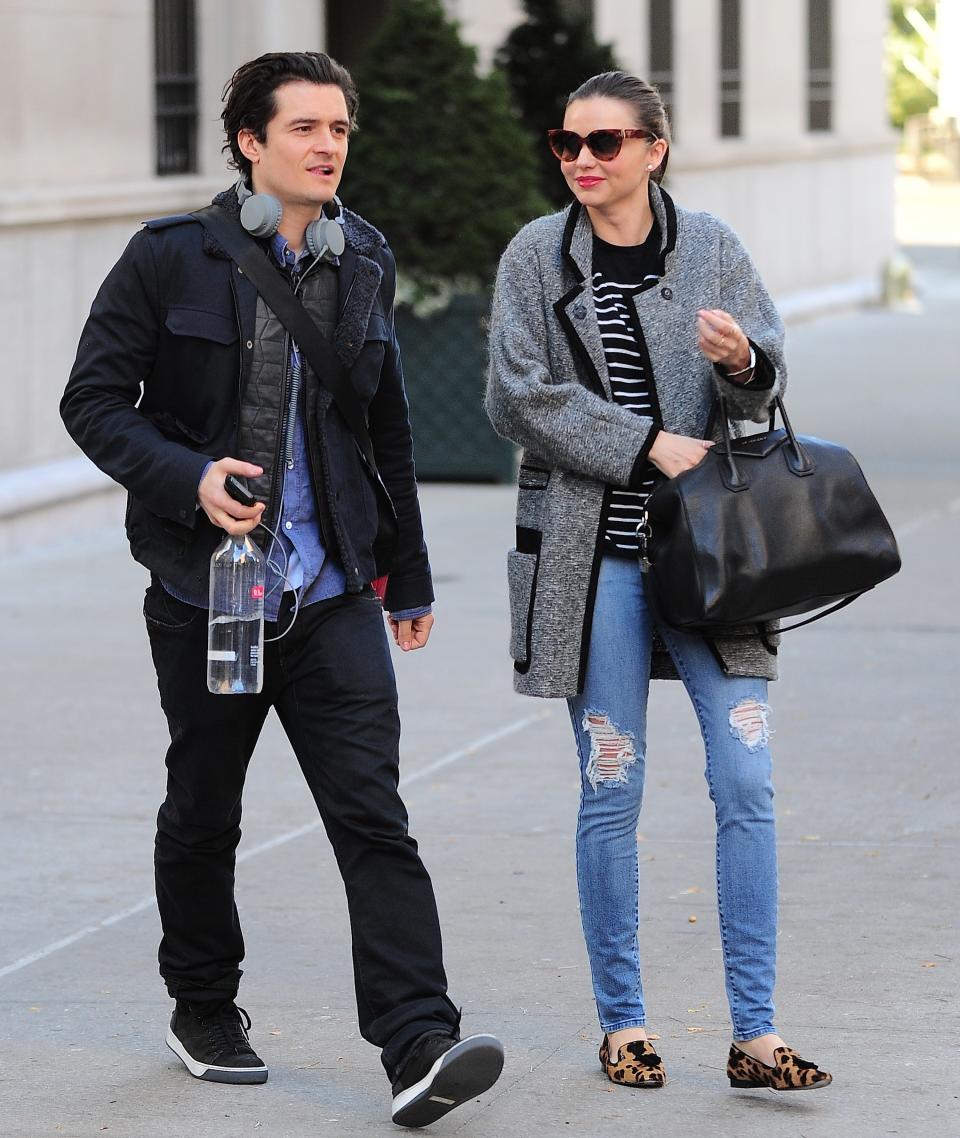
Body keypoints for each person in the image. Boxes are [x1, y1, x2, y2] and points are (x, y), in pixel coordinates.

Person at [61, 50, 503, 1128]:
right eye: (305, 127)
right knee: (207, 808)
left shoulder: (367, 261)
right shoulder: (170, 259)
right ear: (250, 141)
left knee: (373, 814)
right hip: (210, 588)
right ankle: (204, 1004)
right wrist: (190, 476)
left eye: (341, 128)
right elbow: (93, 401)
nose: (328, 145)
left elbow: (383, 425)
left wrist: (407, 573)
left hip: (334, 586)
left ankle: (419, 1041)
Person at [485, 71, 832, 1094]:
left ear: (653, 149)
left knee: (747, 779)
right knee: (612, 784)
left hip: (717, 560)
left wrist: (741, 360)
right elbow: (517, 396)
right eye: (566, 144)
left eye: (604, 143)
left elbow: (766, 375)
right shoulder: (534, 258)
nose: (581, 161)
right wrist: (648, 445)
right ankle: (624, 1020)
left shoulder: (713, 247)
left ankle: (757, 1033)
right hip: (594, 566)